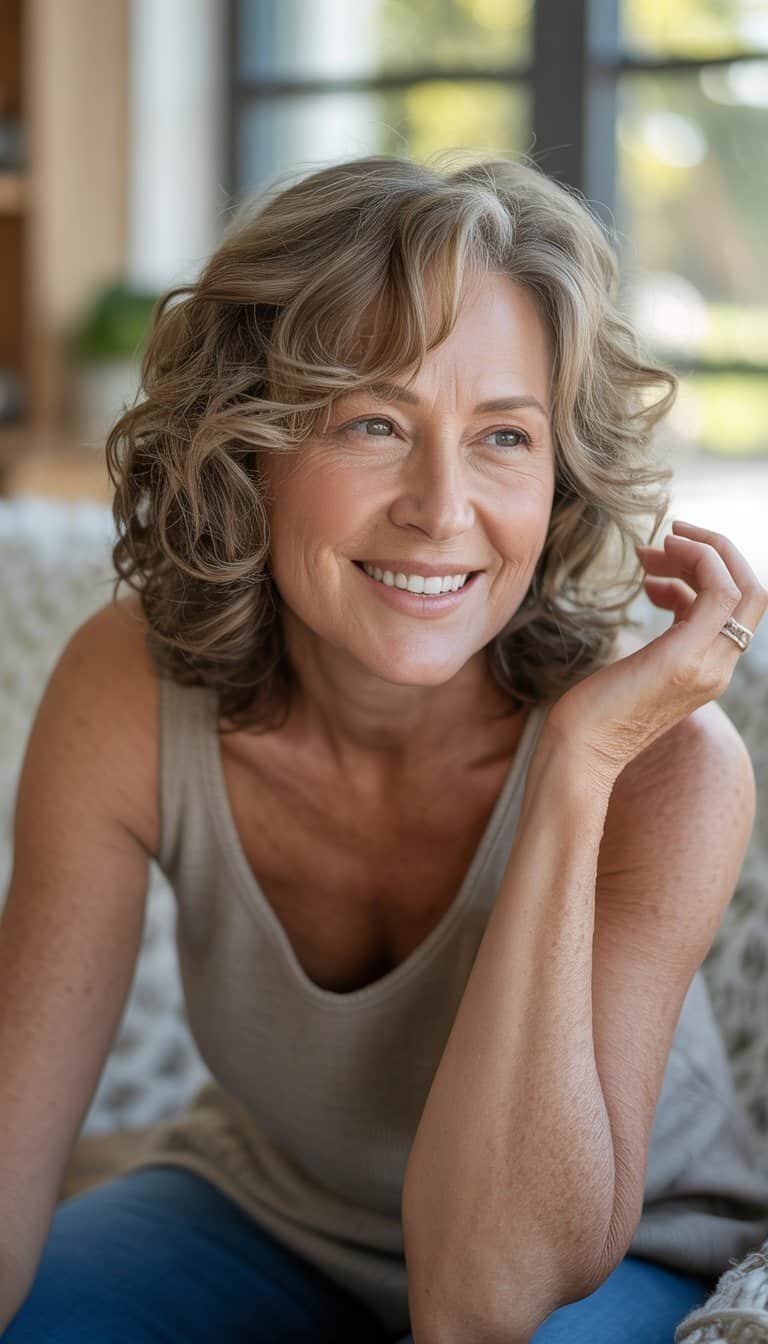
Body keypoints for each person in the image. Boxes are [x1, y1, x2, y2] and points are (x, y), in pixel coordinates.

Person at [1, 149, 766, 1344]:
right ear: (244, 447)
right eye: (371, 421)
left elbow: (481, 1305)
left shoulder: (667, 762)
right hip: (268, 1211)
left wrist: (573, 772)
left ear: (561, 480)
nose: (441, 507)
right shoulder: (129, 687)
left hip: (597, 1263)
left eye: (505, 438)